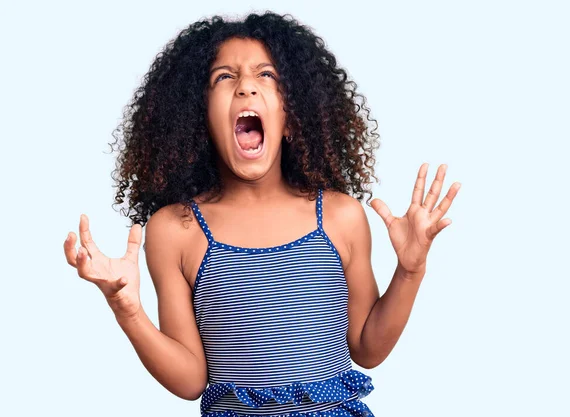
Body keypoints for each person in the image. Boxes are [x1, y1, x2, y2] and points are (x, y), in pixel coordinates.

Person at [63, 11, 460, 417]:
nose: (246, 88)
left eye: (265, 75)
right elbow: (190, 381)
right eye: (224, 77)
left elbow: (368, 348)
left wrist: (409, 271)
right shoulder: (175, 230)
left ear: (291, 119)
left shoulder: (340, 216)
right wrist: (128, 311)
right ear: (200, 121)